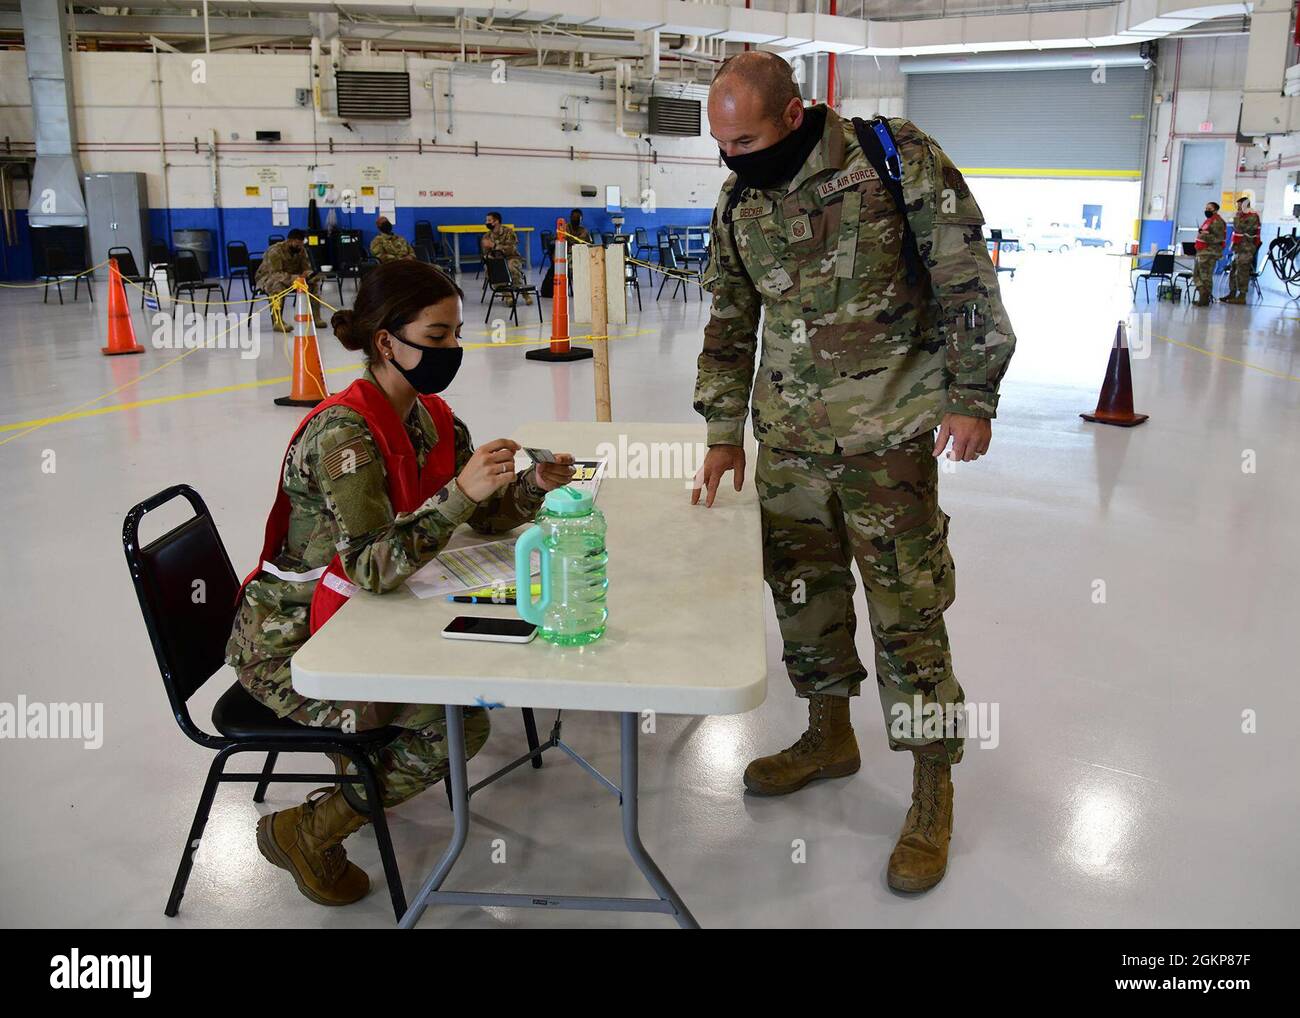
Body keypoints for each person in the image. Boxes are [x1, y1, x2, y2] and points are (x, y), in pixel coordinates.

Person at [691, 52, 1015, 893]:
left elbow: (964, 275)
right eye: (721, 144)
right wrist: (723, 428)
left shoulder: (893, 158)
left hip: (891, 440)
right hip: (788, 444)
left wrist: (972, 393)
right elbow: (729, 318)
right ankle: (828, 732)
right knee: (805, 598)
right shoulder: (740, 199)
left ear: (796, 114)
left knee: (909, 618)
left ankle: (932, 788)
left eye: (747, 139)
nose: (733, 157)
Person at [226, 259, 575, 907]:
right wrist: (459, 496)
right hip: (294, 643)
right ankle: (309, 830)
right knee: (459, 727)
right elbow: (370, 566)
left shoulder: (432, 418)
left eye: (456, 337)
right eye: (436, 338)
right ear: (387, 342)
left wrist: (529, 486)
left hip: (361, 617)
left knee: (456, 691)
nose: (452, 352)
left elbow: (481, 514)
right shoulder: (344, 436)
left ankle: (357, 770)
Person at [257, 228, 327, 331]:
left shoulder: (301, 250)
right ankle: (277, 322)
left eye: (302, 244)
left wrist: (310, 275)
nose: (300, 247)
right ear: (289, 240)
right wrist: (297, 278)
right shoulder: (275, 251)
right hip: (268, 277)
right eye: (297, 244)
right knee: (278, 286)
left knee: (313, 284)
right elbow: (276, 274)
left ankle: (316, 318)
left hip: (291, 277)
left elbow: (306, 268)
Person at [480, 211, 532, 304]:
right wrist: (489, 257)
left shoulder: (508, 232)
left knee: (511, 267)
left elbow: (511, 249)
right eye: (486, 220)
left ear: (496, 221)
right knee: (492, 269)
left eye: (489, 220)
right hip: (496, 260)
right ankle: (508, 296)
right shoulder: (487, 236)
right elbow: (485, 253)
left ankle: (525, 293)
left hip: (511, 257)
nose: (486, 222)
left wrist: (494, 246)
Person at [1223, 196, 1261, 305]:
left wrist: (1236, 217)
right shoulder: (1242, 216)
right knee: (1233, 270)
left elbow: (1240, 228)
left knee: (1242, 272)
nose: (1238, 208)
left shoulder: (1253, 216)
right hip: (1238, 248)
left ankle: (1242, 296)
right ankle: (1232, 292)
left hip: (1247, 248)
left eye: (1240, 206)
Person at [1193, 201, 1226, 307]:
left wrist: (1204, 235)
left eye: (1209, 209)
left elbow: (1219, 238)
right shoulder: (1208, 220)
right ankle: (1203, 294)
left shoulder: (1217, 221)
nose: (1206, 210)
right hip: (1202, 251)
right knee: (1197, 274)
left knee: (1205, 276)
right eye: (1206, 208)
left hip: (1209, 252)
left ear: (1215, 210)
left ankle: (1204, 298)